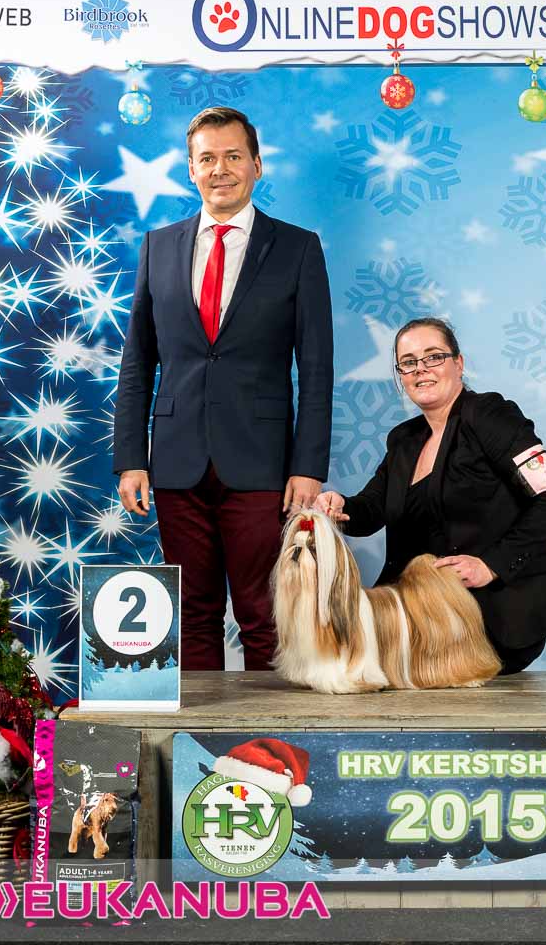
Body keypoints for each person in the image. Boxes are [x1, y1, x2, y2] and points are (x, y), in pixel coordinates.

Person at [113, 106, 333, 671]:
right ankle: (203, 728)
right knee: (192, 613)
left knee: (265, 612)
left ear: (257, 165)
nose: (220, 169)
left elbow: (316, 367)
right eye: (207, 158)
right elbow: (137, 361)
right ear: (191, 169)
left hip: (262, 464)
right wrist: (131, 459)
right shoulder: (158, 246)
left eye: (233, 156)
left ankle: (269, 728)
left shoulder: (298, 248)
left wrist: (308, 467)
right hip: (175, 462)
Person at [315, 317, 546, 674]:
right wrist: (340, 506)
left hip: (487, 621)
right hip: (415, 621)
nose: (420, 369)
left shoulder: (491, 416)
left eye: (433, 357)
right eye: (408, 362)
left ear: (459, 363)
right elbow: (370, 511)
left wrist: (490, 565)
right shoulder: (403, 439)